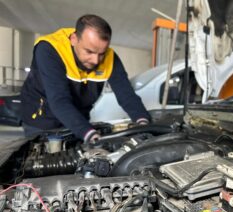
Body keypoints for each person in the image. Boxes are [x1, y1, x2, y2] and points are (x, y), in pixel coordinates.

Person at [20, 14, 151, 143]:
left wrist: (143, 123)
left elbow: (127, 95)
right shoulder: (49, 49)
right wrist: (89, 134)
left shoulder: (110, 58)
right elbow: (59, 100)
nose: (95, 60)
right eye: (89, 51)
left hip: (78, 119)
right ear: (74, 39)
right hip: (41, 120)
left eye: (101, 54)